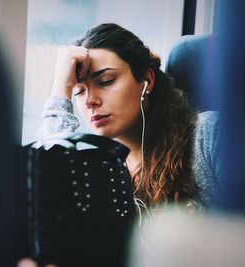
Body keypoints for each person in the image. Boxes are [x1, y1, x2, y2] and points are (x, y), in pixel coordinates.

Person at [39, 23, 219, 211]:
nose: (90, 101)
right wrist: (60, 90)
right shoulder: (95, 168)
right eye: (79, 92)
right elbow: (47, 191)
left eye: (105, 81)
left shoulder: (207, 135)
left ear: (147, 80)